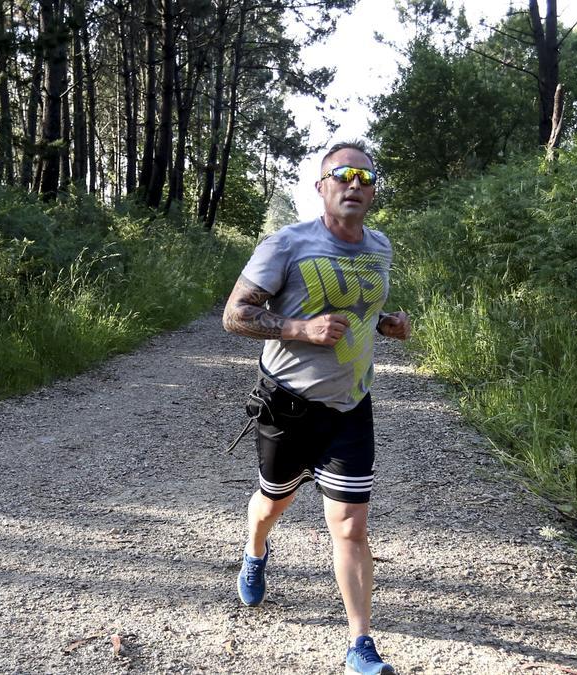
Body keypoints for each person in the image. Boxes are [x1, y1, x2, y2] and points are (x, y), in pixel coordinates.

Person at [222, 140, 410, 675]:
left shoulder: (380, 247)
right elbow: (235, 315)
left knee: (350, 526)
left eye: (365, 177)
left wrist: (389, 323)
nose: (355, 184)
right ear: (321, 185)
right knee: (272, 503)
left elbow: (360, 310)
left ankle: (361, 645)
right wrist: (298, 329)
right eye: (343, 174)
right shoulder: (286, 244)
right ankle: (256, 550)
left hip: (351, 407)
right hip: (289, 407)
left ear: (373, 189)